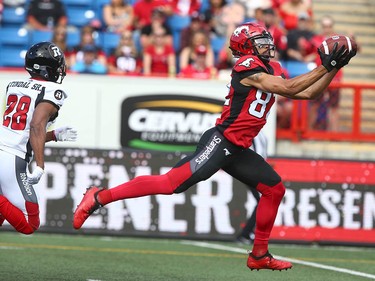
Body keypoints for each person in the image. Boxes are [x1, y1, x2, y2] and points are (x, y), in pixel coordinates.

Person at [73, 22, 355, 270]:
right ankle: (98, 197)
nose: (268, 45)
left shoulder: (274, 67)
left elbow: (307, 93)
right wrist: (325, 66)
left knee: (274, 189)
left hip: (239, 148)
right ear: (246, 48)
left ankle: (259, 254)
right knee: (171, 183)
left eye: (267, 40)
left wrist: (334, 68)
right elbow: (290, 89)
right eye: (260, 42)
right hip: (221, 141)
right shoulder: (246, 67)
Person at [0, 41, 77, 234]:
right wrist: (41, 165)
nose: (60, 69)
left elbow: (25, 131)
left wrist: (54, 135)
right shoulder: (52, 91)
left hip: (5, 150)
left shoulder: (14, 85)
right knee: (29, 223)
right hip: (11, 158)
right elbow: (35, 125)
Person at [236, 130, 268, 244]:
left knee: (262, 201)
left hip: (257, 170)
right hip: (253, 171)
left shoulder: (260, 133)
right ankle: (247, 233)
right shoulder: (252, 132)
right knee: (263, 201)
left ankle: (247, 233)